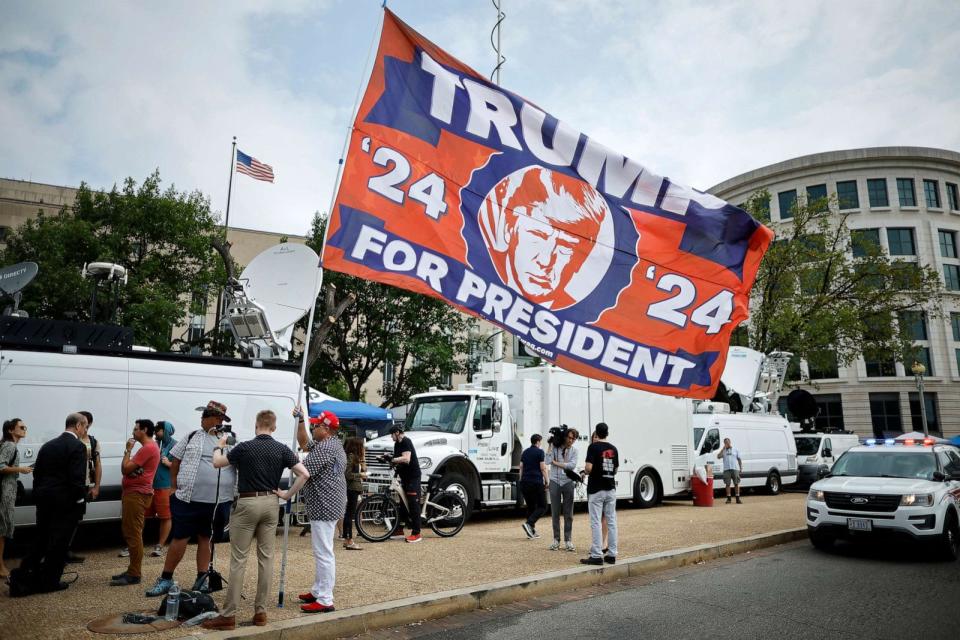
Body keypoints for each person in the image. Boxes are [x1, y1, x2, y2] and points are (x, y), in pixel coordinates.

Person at [201, 409, 309, 630]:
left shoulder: (245, 447)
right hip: (271, 504)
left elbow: (217, 463)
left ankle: (229, 615)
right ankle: (261, 613)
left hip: (247, 503)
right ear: (274, 427)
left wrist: (219, 445)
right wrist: (287, 495)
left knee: (239, 560)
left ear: (256, 425)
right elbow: (304, 474)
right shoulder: (281, 449)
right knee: (266, 559)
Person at [480, 165, 610, 309]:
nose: (545, 260)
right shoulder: (479, 275)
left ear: (581, 260)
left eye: (566, 247)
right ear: (509, 229)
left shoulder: (583, 315)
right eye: (538, 235)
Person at [145, 400, 237, 597]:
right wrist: (173, 486)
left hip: (218, 502)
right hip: (188, 499)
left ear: (218, 419)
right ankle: (166, 579)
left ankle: (202, 579)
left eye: (206, 415)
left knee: (207, 538)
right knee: (180, 537)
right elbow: (175, 461)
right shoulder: (192, 436)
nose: (202, 418)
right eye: (203, 415)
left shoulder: (230, 440)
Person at [14, 413, 88, 595]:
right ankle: (50, 581)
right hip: (65, 502)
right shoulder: (77, 446)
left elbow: (37, 473)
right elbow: (76, 479)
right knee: (59, 543)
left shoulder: (48, 445)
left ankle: (24, 574)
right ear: (78, 425)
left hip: (44, 500)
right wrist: (80, 500)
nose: (85, 431)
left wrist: (40, 494)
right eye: (85, 427)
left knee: (41, 538)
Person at [296, 409, 347, 614]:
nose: (312, 428)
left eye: (315, 425)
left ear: (326, 429)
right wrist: (300, 420)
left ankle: (325, 599)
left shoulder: (325, 448)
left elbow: (303, 470)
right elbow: (304, 443)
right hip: (328, 503)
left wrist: (287, 458)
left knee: (324, 552)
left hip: (324, 505)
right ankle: (318, 590)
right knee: (322, 551)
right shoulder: (330, 444)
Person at [111, 419, 160, 586]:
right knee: (131, 531)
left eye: (136, 429)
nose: (133, 432)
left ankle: (134, 573)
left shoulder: (148, 448)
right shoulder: (150, 448)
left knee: (133, 533)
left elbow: (125, 468)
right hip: (137, 493)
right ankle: (132, 569)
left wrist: (127, 450)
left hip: (137, 495)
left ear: (144, 430)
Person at [580, 422, 619, 566]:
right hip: (610, 488)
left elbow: (589, 468)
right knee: (611, 521)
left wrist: (586, 470)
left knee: (596, 521)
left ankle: (596, 555)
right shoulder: (613, 449)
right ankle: (612, 554)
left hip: (596, 488)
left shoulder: (593, 447)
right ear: (607, 433)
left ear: (596, 433)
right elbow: (615, 470)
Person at [1, 418, 32, 579]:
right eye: (21, 427)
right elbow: (1, 466)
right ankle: (0, 567)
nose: (24, 429)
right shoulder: (9, 445)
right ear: (11, 430)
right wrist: (22, 469)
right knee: (2, 528)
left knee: (3, 528)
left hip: (8, 489)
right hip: (5, 491)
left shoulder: (9, 445)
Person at [67, 410, 100, 564]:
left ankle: (66, 550)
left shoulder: (93, 442)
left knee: (75, 519)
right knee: (65, 518)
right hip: (69, 485)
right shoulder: (71, 440)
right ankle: (60, 551)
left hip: (84, 484)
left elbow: (98, 464)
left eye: (85, 423)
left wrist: (96, 486)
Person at [144, 420, 177, 557]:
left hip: (165, 485)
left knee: (165, 516)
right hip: (150, 485)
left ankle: (160, 545)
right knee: (143, 515)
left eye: (159, 430)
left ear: (166, 431)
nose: (156, 433)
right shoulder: (154, 443)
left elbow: (181, 465)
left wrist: (168, 463)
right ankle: (134, 544)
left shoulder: (176, 445)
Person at [388, 425, 422, 543]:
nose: (391, 437)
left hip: (413, 476)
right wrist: (387, 459)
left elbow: (406, 459)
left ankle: (416, 533)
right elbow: (397, 459)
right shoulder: (397, 444)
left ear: (397, 433)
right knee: (402, 502)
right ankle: (399, 529)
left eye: (392, 434)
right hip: (404, 476)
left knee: (413, 503)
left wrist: (392, 459)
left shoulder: (406, 441)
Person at [548, 428, 579, 551]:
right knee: (555, 512)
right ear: (565, 437)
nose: (571, 440)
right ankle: (556, 540)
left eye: (573, 438)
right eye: (569, 437)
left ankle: (568, 540)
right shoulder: (555, 448)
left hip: (568, 482)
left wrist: (556, 463)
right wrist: (550, 445)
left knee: (568, 513)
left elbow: (572, 465)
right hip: (554, 481)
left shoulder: (574, 451)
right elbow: (547, 460)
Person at [518, 434, 548, 539]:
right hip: (536, 482)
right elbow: (543, 468)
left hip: (525, 482)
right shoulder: (540, 452)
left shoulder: (525, 452)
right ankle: (529, 523)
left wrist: (521, 480)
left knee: (531, 507)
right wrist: (547, 481)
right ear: (538, 441)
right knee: (543, 506)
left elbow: (521, 467)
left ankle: (532, 531)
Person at [342, 437, 367, 551]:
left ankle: (347, 539)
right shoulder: (351, 457)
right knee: (349, 514)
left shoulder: (355, 457)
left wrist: (362, 461)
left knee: (349, 514)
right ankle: (349, 540)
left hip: (353, 488)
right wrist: (360, 475)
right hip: (352, 488)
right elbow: (348, 475)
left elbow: (363, 469)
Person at [718, 437, 743, 504]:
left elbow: (739, 459)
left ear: (730, 442)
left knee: (736, 483)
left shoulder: (735, 450)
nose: (726, 443)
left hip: (735, 469)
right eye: (725, 442)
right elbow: (718, 456)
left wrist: (741, 468)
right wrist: (722, 449)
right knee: (727, 484)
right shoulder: (724, 451)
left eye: (727, 442)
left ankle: (738, 498)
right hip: (726, 469)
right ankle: (729, 499)